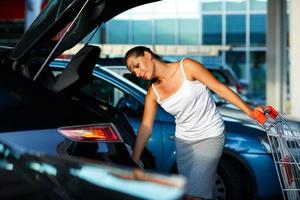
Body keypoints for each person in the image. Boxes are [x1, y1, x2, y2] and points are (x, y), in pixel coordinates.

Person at [124, 46, 262, 200]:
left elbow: (219, 88)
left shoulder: (187, 66)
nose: (137, 73)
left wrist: (249, 111)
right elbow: (146, 127)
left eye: (137, 66)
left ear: (147, 55)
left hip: (210, 135)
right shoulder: (153, 92)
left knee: (194, 194)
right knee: (195, 190)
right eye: (133, 72)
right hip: (184, 143)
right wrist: (135, 159)